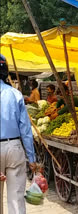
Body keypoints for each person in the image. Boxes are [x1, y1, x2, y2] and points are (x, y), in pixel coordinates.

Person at [0, 54, 36, 214]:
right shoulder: (15, 94)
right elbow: (26, 130)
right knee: (16, 200)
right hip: (14, 147)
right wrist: (32, 158)